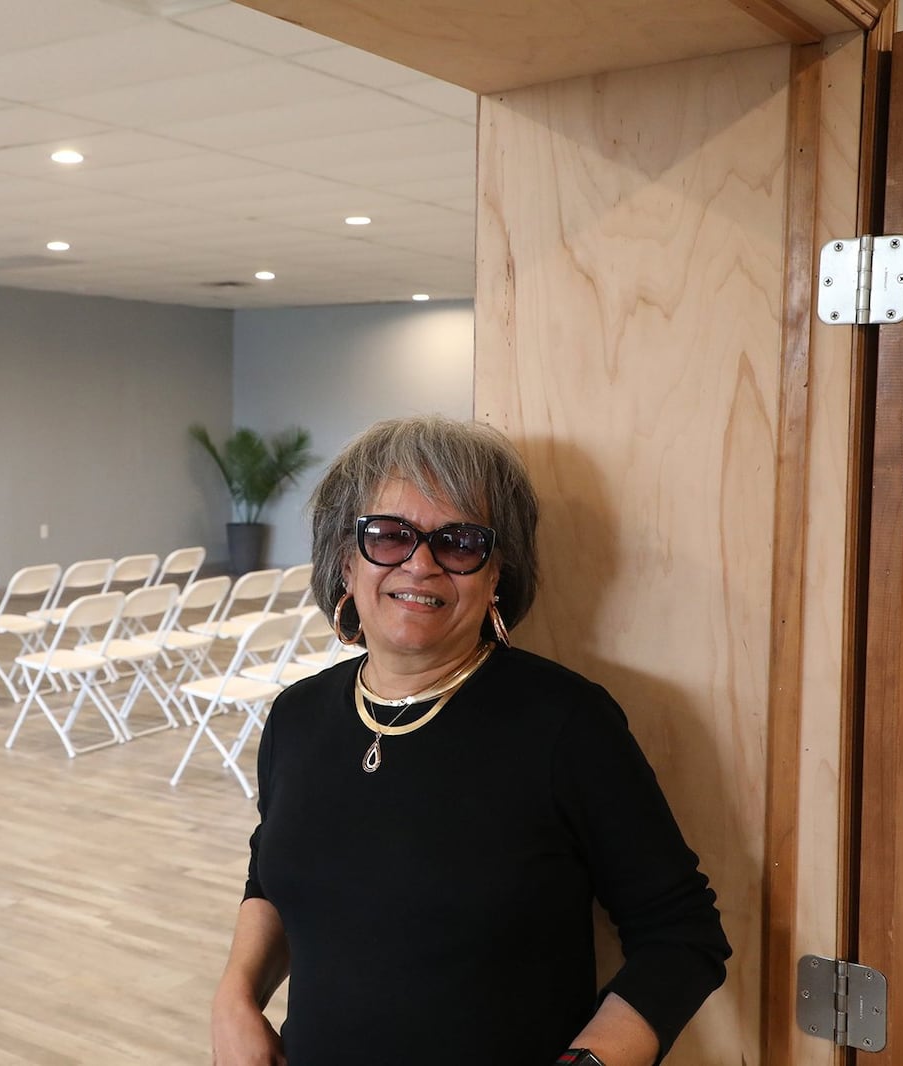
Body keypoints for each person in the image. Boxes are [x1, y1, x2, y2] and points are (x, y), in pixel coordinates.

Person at [210, 416, 730, 1066]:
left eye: (458, 543)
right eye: (390, 535)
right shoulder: (298, 716)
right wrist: (235, 997)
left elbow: (682, 934)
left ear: (495, 575)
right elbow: (272, 869)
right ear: (345, 561)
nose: (420, 563)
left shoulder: (566, 723)